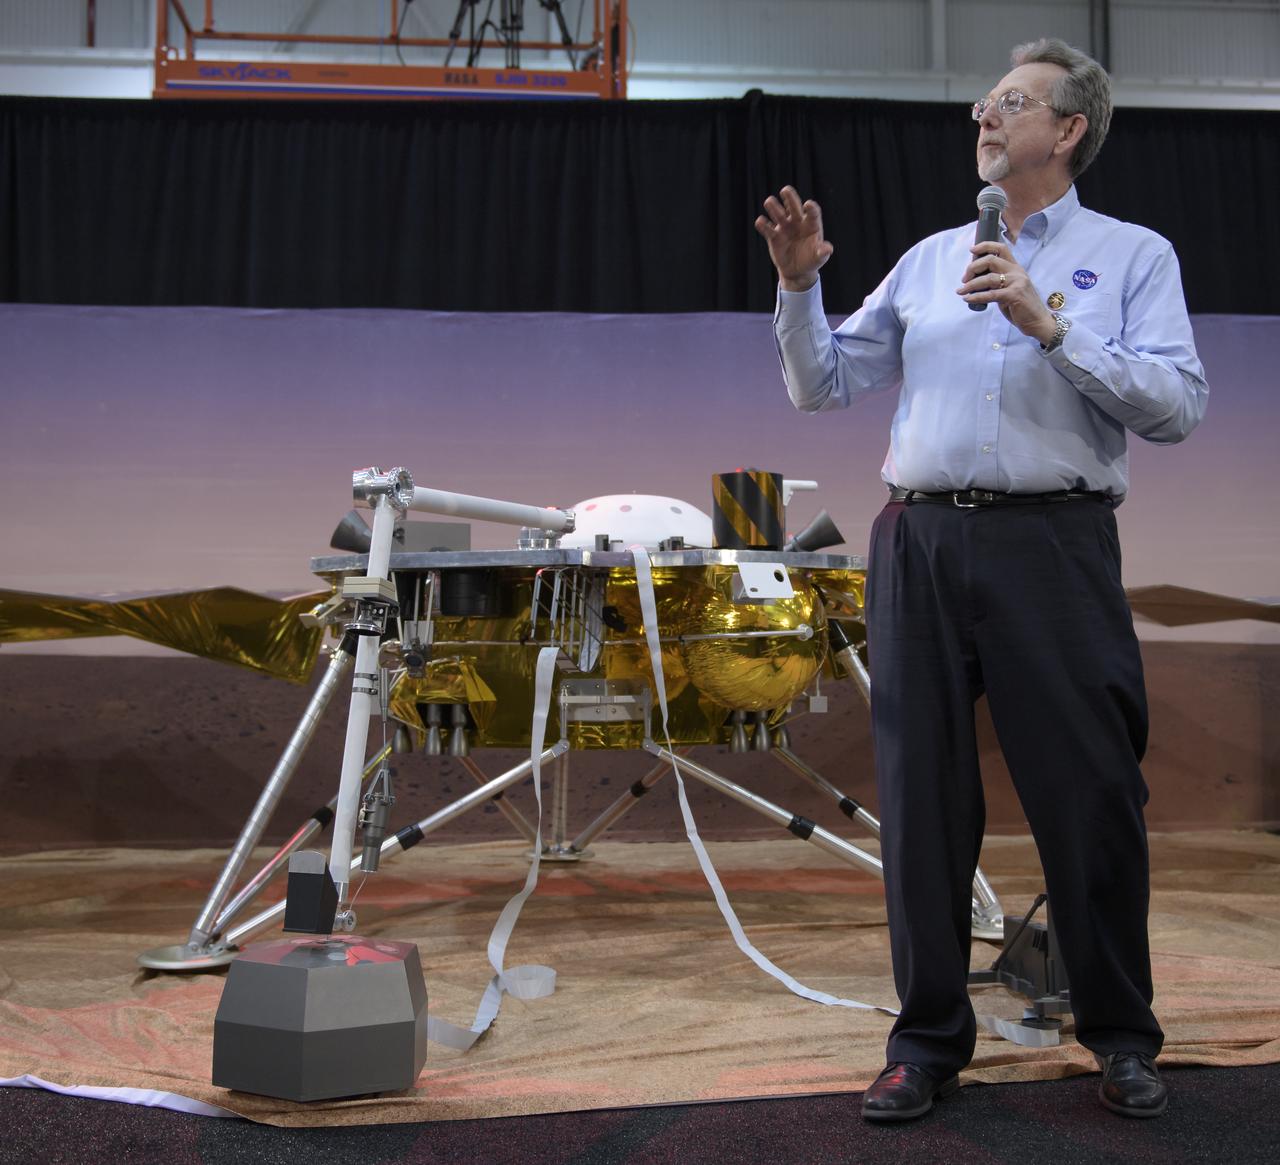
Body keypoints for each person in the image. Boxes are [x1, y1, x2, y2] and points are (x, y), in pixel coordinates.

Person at [755, 38, 1207, 1122]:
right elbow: (824, 388)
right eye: (983, 101)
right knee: (919, 803)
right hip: (916, 543)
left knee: (1091, 793)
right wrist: (798, 286)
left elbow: (1176, 406)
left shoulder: (1131, 254)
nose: (981, 113)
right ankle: (923, 1043)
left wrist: (1047, 325)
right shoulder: (922, 261)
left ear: (1066, 131)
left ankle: (1118, 1035)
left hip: (1051, 546)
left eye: (1010, 102)